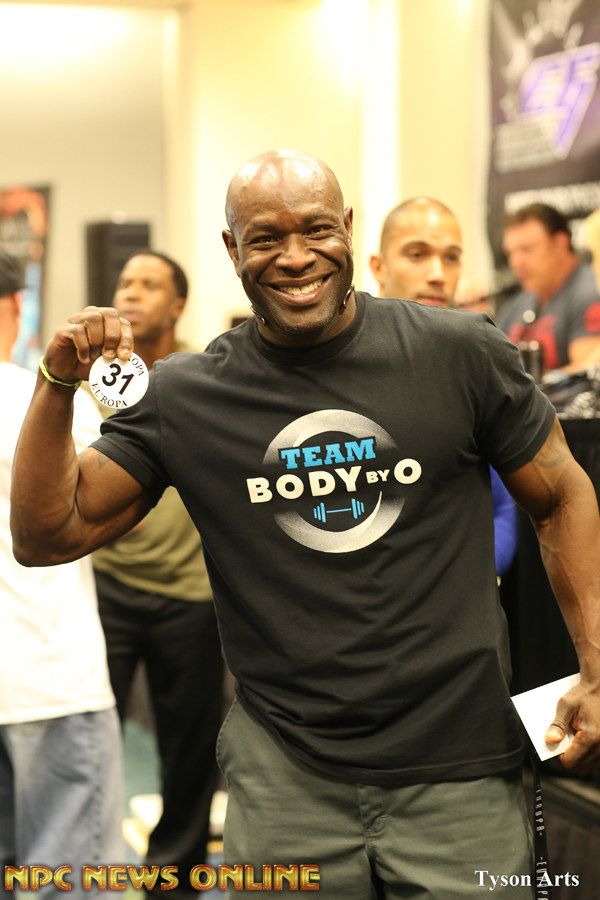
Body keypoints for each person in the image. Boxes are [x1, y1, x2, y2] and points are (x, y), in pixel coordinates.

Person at [10, 151, 600, 900]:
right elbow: (47, 534)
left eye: (317, 230)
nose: (295, 257)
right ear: (231, 249)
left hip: (460, 769)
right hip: (286, 780)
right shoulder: (188, 395)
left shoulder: (459, 353)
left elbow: (561, 494)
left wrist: (597, 668)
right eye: (265, 238)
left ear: (347, 228)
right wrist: (56, 381)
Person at [91, 250, 223, 895]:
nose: (132, 294)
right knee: (91, 740)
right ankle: (85, 867)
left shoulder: (202, 378)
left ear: (177, 306)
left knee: (189, 751)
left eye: (149, 285)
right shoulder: (92, 382)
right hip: (107, 587)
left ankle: (175, 879)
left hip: (190, 595)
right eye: (125, 283)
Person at [0, 251, 123, 892]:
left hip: (31, 681)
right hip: (48, 679)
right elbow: (115, 508)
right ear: (17, 307)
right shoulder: (38, 398)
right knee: (68, 881)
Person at [369, 197, 516, 576]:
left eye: (451, 258)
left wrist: (475, 579)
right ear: (379, 266)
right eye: (417, 254)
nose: (438, 273)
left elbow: (504, 506)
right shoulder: (344, 367)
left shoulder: (476, 364)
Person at [497, 203, 600, 372]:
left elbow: (587, 374)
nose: (516, 262)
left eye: (527, 249)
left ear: (560, 244)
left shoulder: (591, 291)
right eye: (511, 253)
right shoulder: (517, 305)